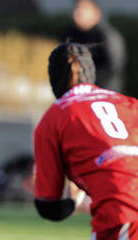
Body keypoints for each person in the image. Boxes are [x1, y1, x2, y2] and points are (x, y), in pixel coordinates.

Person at [33, 42, 138, 240]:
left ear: (54, 79)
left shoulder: (55, 117)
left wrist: (73, 199)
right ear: (92, 73)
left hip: (123, 215)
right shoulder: (129, 103)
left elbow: (49, 206)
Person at [61, 0, 126, 92]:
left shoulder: (106, 37)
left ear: (96, 12)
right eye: (77, 8)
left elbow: (111, 69)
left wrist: (87, 84)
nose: (78, 13)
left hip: (102, 94)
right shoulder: (70, 35)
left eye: (84, 9)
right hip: (76, 95)